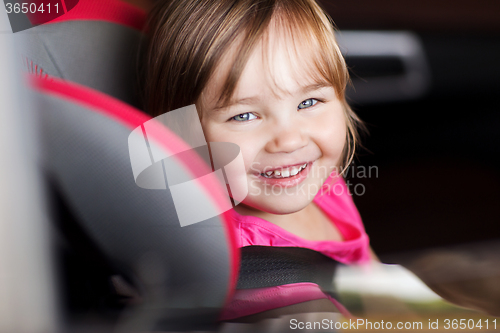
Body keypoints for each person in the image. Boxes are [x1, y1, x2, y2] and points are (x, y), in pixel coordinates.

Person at [144, 0, 374, 321]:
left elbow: (372, 273)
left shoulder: (321, 182)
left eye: (309, 101)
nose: (290, 140)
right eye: (245, 115)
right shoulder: (245, 272)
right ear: (184, 138)